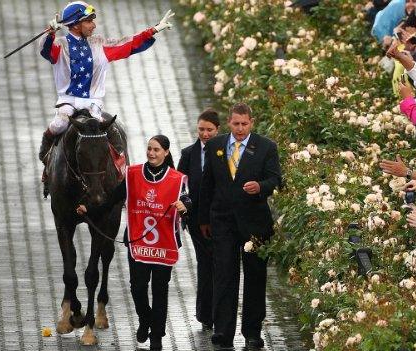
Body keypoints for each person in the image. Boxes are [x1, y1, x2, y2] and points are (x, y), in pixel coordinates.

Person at [77, 135, 190, 350]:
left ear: (166, 153)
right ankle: (145, 318)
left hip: (163, 245)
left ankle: (156, 337)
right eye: (149, 149)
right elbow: (111, 200)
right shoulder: (133, 174)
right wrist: (89, 210)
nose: (151, 153)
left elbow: (187, 199)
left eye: (156, 150)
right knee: (137, 288)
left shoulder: (176, 178)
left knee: (160, 290)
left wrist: (185, 206)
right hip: (138, 244)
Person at [37, 1, 175, 171]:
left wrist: (152, 30)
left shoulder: (99, 44)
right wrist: (49, 32)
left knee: (111, 131)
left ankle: (120, 168)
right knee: (59, 124)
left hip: (93, 103)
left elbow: (128, 44)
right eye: (89, 21)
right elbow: (45, 50)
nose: (93, 25)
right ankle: (46, 154)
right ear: (75, 25)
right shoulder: (59, 45)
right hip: (68, 101)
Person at [199, 103, 282, 348]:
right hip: (222, 222)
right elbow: (207, 185)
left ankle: (252, 333)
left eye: (244, 124)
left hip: (254, 223)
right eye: (236, 124)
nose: (240, 129)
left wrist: (260, 187)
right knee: (224, 275)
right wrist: (203, 219)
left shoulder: (266, 147)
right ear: (229, 123)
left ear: (251, 123)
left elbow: (275, 179)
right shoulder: (215, 146)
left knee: (255, 278)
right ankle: (223, 331)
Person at [176, 109, 220, 330]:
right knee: (205, 262)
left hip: (220, 219)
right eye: (201, 129)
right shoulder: (188, 154)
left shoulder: (225, 151)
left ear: (217, 130)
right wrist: (186, 206)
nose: (204, 134)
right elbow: (180, 186)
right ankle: (206, 314)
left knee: (219, 264)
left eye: (209, 130)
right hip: (196, 220)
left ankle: (215, 312)